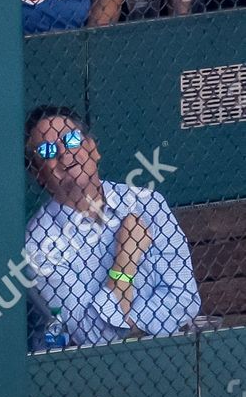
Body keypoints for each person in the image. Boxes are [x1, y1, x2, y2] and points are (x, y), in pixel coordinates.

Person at [23, 106, 200, 347]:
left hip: (163, 352)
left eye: (72, 139)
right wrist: (125, 260)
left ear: (93, 150)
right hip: (82, 371)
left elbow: (186, 298)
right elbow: (93, 337)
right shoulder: (38, 246)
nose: (64, 153)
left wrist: (121, 323)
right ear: (39, 175)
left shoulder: (147, 203)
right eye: (47, 150)